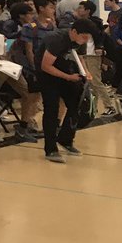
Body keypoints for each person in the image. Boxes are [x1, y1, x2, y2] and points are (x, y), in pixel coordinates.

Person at [40, 18, 102, 161]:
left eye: (88, 38)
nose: (85, 40)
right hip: (48, 76)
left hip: (68, 74)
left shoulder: (79, 41)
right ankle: (50, 149)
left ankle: (66, 139)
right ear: (74, 32)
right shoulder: (56, 40)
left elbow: (79, 57)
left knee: (76, 105)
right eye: (84, 37)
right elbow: (46, 66)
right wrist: (68, 77)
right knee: (51, 109)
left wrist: (85, 72)